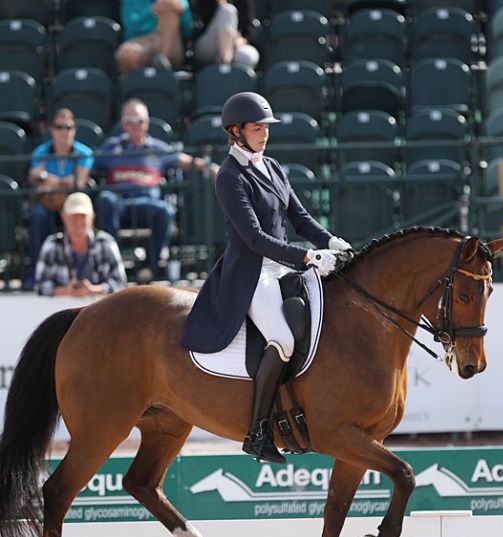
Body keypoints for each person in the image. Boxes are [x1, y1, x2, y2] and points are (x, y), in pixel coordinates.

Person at [179, 92, 353, 464]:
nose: (264, 134)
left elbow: (300, 218)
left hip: (283, 267)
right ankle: (258, 432)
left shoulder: (271, 166)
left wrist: (330, 240)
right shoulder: (229, 175)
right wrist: (308, 256)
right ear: (236, 131)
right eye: (257, 128)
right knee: (284, 339)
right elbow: (255, 239)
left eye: (266, 128)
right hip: (250, 273)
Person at [93, 98, 219, 278]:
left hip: (147, 203)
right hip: (118, 202)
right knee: (105, 199)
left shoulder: (158, 148)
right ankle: (113, 263)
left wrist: (211, 167)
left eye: (139, 120)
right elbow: (88, 165)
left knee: (165, 210)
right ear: (123, 124)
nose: (135, 125)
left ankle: (149, 268)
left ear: (147, 123)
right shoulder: (112, 146)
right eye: (130, 121)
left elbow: (185, 161)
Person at [27, 108, 94, 286]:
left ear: (74, 130)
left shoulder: (84, 152)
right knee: (37, 216)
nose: (64, 132)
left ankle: (86, 274)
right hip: (48, 203)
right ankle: (36, 274)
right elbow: (35, 180)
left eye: (69, 127)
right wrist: (63, 182)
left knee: (81, 219)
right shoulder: (40, 152)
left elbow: (78, 183)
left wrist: (47, 178)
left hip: (74, 203)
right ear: (52, 129)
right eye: (59, 127)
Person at [35, 192, 127, 297]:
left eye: (83, 216)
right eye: (74, 216)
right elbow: (40, 285)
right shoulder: (51, 245)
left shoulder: (106, 242)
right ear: (63, 217)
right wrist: (66, 291)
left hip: (100, 310)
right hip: (62, 310)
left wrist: (93, 290)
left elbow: (120, 283)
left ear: (92, 217)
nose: (78, 221)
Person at [116, 0, 194, 73]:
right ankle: (136, 82)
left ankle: (163, 61)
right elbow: (130, 26)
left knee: (169, 11)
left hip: (169, 43)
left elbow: (188, 32)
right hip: (141, 41)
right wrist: (153, 10)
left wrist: (181, 12)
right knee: (126, 54)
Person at [193, 0, 260, 69]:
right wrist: (221, 3)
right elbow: (202, 23)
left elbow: (251, 31)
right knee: (228, 10)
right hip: (209, 46)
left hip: (235, 45)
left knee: (247, 57)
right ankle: (225, 64)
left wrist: (242, 40)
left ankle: (228, 73)